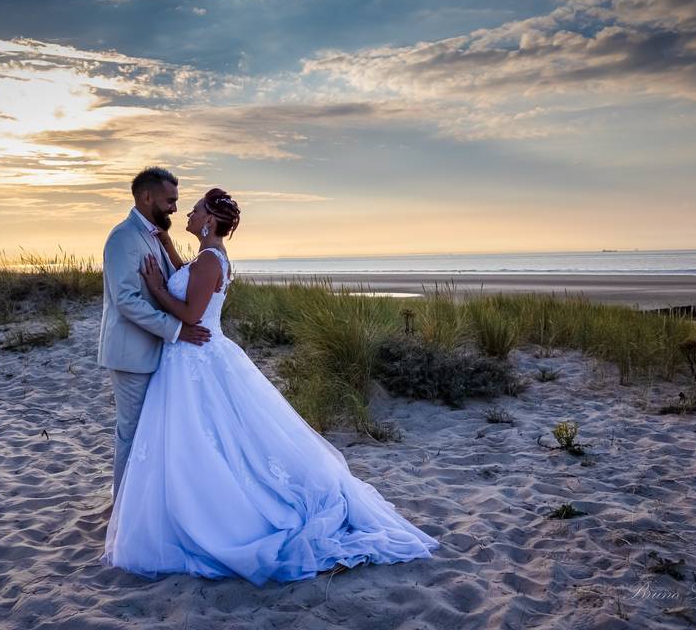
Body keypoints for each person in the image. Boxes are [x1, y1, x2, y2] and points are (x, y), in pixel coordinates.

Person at [101, 188, 440, 586]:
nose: (188, 214)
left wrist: (158, 290)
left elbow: (192, 313)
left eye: (195, 211)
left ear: (210, 221)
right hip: (191, 359)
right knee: (204, 439)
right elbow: (189, 278)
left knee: (204, 438)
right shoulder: (208, 258)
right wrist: (171, 249)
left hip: (194, 357)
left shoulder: (210, 260)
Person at [97, 167, 211, 501]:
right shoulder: (123, 238)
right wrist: (177, 329)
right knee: (131, 435)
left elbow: (177, 280)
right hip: (131, 354)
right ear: (146, 197)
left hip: (155, 351)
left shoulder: (152, 235)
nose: (175, 208)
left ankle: (144, 506)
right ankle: (123, 510)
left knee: (151, 435)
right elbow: (127, 300)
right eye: (170, 201)